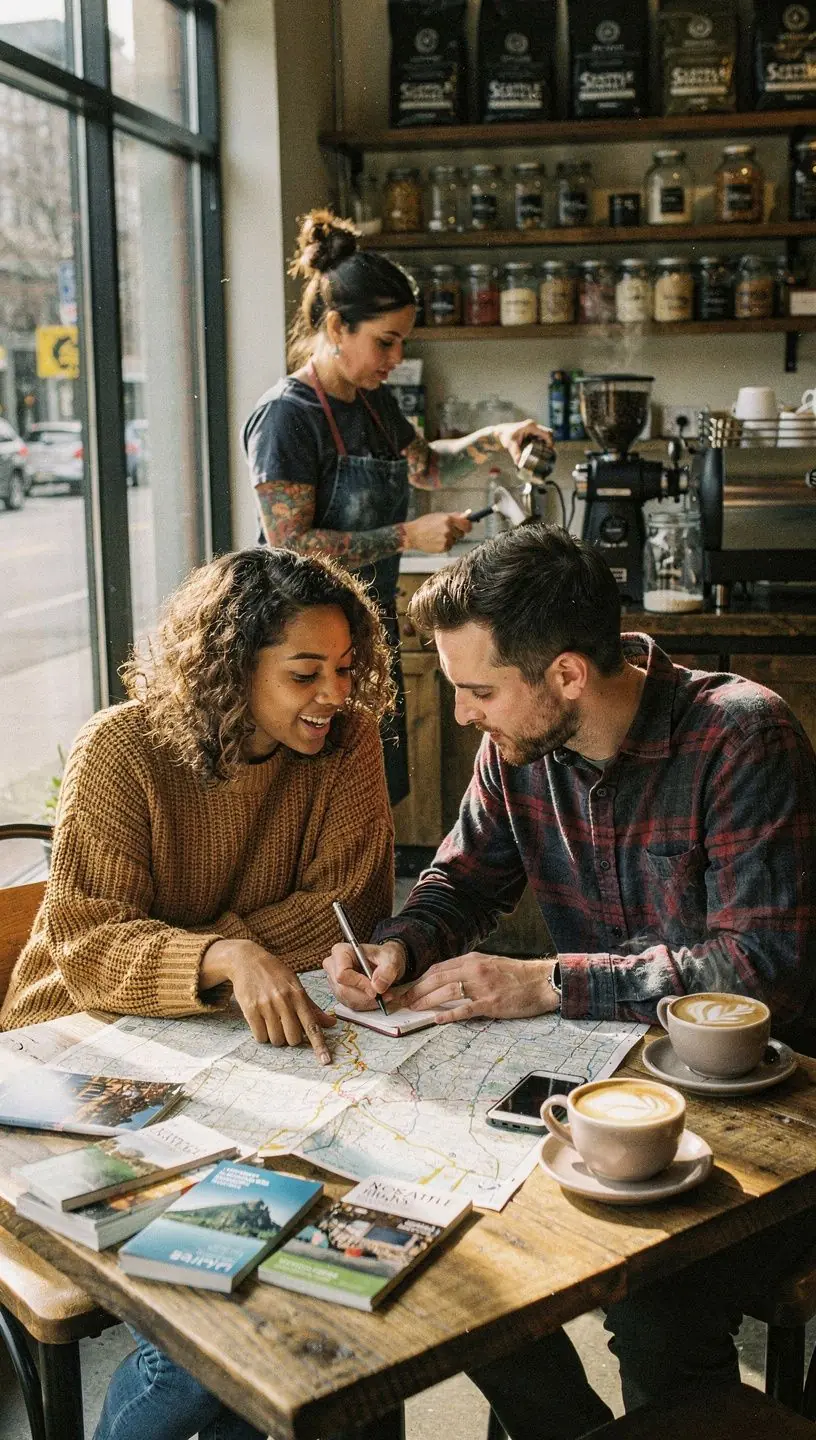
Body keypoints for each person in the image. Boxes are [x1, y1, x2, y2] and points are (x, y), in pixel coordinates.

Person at [323, 522, 816, 1438]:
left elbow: (761, 975)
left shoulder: (741, 735)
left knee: (656, 1309)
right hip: (602, 1088)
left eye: (478, 691)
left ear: (566, 675)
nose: (461, 714)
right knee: (450, 1252)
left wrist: (548, 981)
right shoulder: (518, 749)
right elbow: (461, 882)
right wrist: (402, 945)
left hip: (765, 1114)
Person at [0, 546, 397, 1440]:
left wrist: (213, 954)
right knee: (235, 1288)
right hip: (73, 1058)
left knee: (341, 1264)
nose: (334, 695)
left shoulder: (348, 742)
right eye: (304, 673)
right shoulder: (121, 749)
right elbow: (89, 946)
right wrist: (223, 954)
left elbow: (349, 905)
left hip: (232, 1049)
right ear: (230, 665)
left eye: (346, 669)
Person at [242, 208, 552, 807]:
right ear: (338, 326)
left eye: (403, 341)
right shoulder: (287, 417)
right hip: (300, 646)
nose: (395, 357)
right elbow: (291, 546)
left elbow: (428, 465)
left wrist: (499, 436)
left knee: (373, 792)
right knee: (314, 802)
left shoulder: (374, 404)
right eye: (385, 341)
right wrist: (408, 536)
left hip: (366, 628)